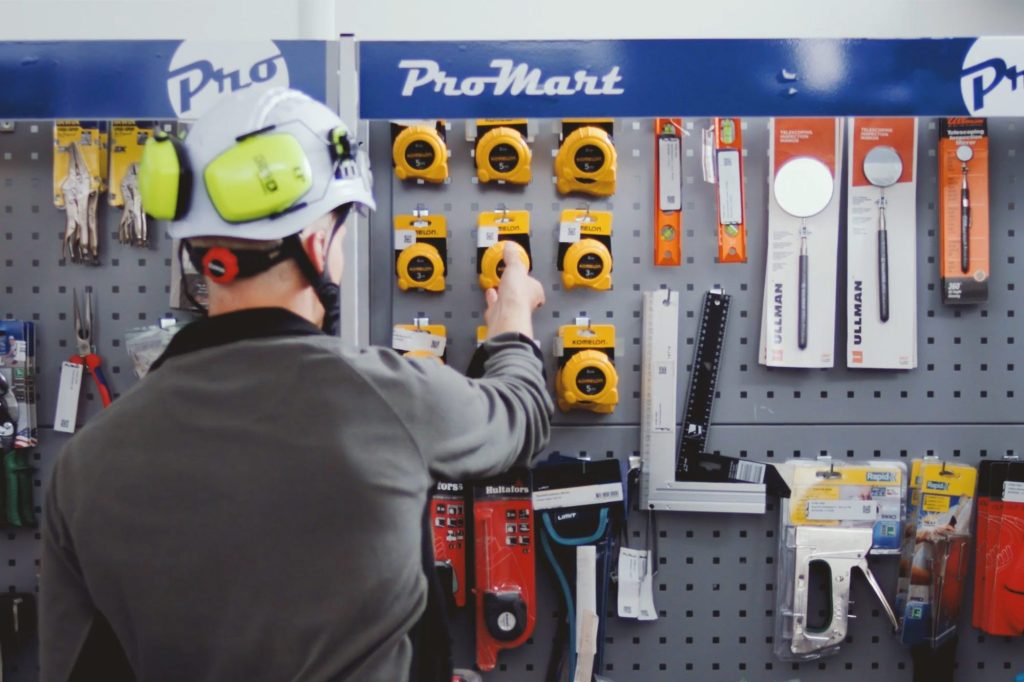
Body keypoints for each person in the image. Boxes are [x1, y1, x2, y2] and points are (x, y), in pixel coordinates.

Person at [40, 87, 553, 682]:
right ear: (316, 243)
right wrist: (513, 318)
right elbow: (521, 414)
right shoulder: (387, 399)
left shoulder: (87, 461)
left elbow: (76, 668)